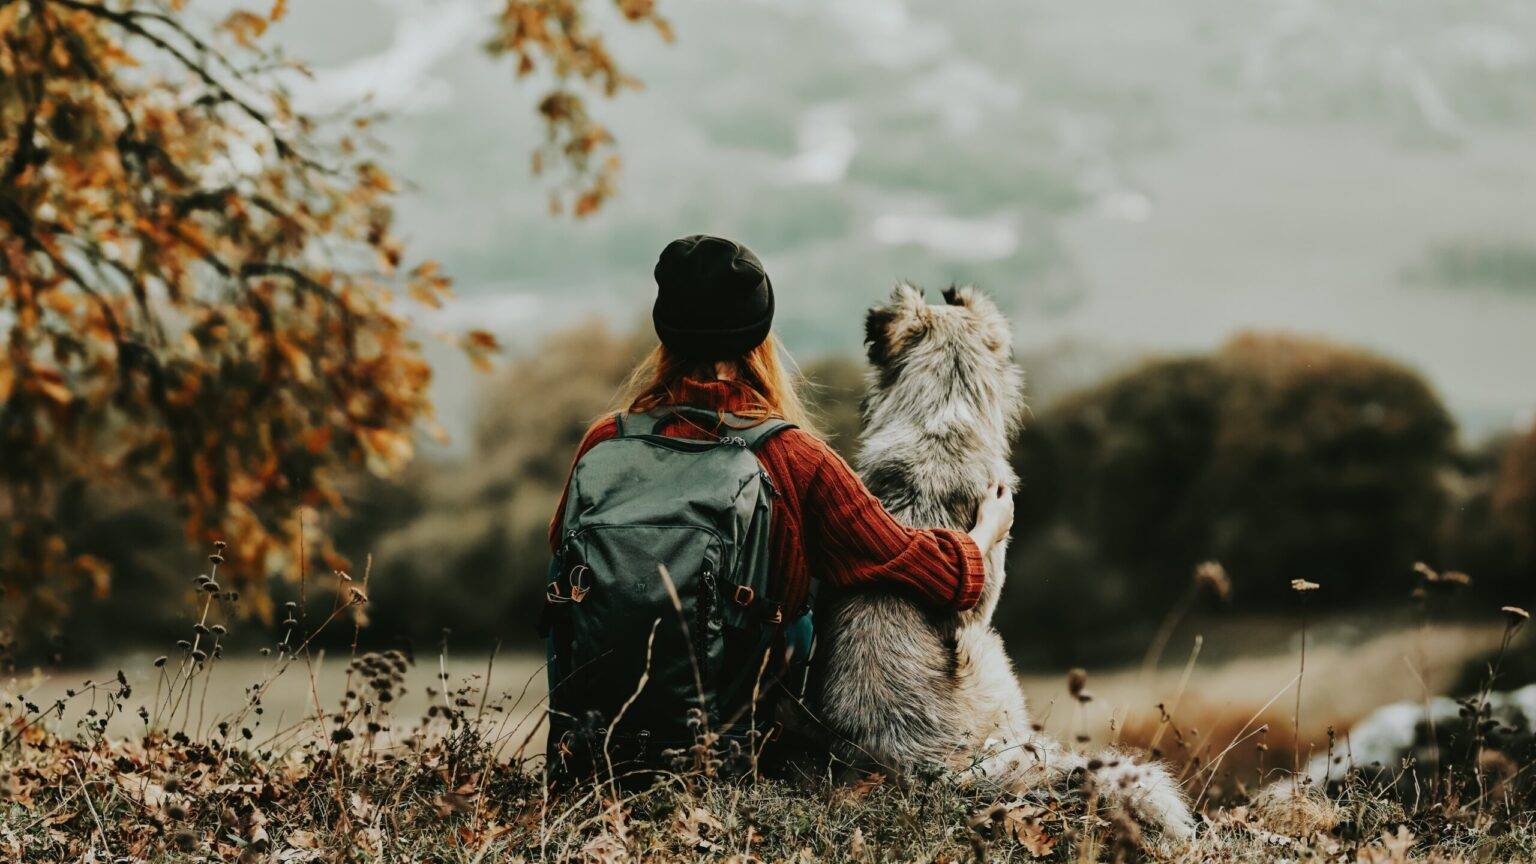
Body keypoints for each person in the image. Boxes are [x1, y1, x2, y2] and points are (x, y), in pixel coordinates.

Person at [544, 234, 1013, 775]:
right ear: (759, 336)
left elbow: (563, 556)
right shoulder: (795, 457)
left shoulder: (605, 441)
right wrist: (984, 534)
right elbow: (916, 566)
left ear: (665, 332)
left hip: (592, 753)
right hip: (732, 758)